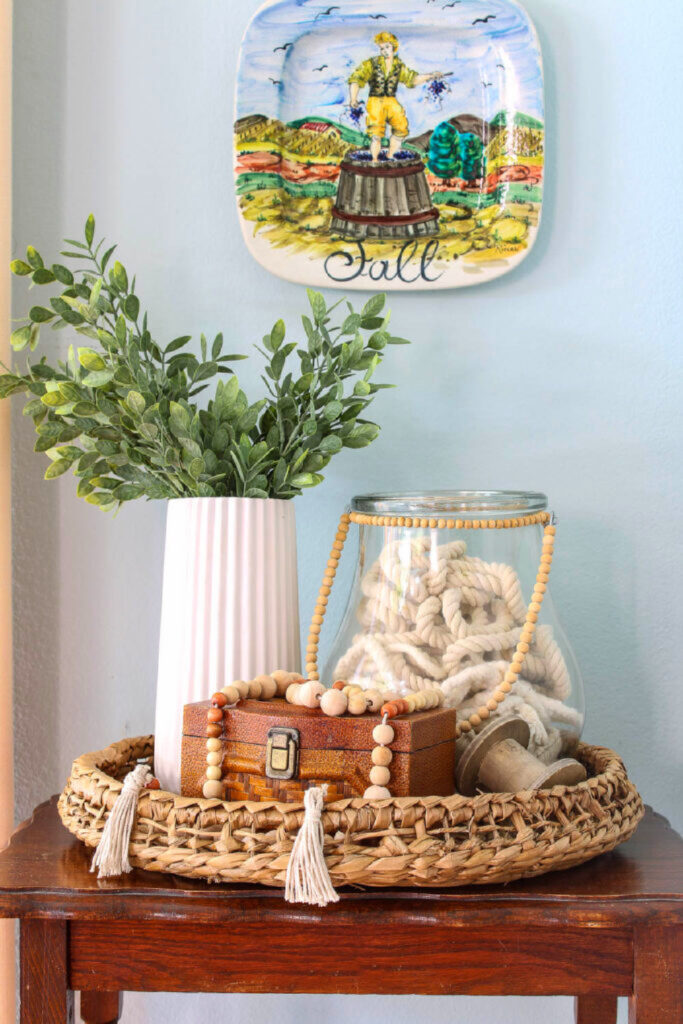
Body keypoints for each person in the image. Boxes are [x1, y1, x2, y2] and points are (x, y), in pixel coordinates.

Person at [348, 32, 443, 162]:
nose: (384, 51)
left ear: (393, 47)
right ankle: (375, 161)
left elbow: (412, 79)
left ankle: (390, 156)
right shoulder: (371, 63)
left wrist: (431, 76)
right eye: (382, 48)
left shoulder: (398, 66)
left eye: (387, 47)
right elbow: (356, 79)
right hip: (375, 100)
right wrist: (353, 98)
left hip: (391, 101)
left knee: (400, 127)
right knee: (376, 132)